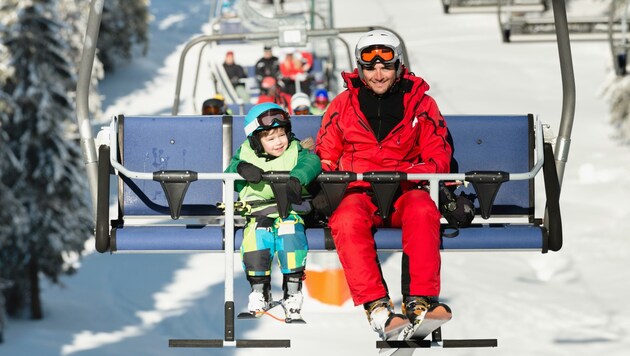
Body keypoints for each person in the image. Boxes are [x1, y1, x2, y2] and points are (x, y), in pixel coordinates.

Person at [314, 30, 453, 340]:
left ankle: (419, 302)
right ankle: (377, 307)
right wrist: (325, 180)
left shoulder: (421, 104)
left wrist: (406, 173)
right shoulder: (342, 105)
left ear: (398, 66)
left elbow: (438, 155)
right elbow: (326, 154)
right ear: (360, 70)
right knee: (346, 219)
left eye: (386, 66)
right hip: (359, 193)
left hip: (405, 191)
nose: (378, 74)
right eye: (370, 67)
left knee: (422, 209)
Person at [225, 103, 322, 322]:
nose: (278, 142)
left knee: (289, 234)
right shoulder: (245, 155)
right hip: (259, 213)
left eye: (281, 135)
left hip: (290, 210)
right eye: (270, 138)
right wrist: (240, 169)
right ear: (256, 142)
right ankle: (260, 290)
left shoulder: (296, 150)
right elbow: (228, 173)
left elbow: (312, 162)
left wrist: (298, 177)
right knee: (256, 238)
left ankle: (293, 290)